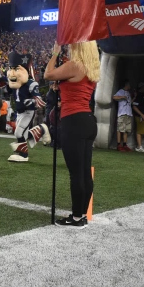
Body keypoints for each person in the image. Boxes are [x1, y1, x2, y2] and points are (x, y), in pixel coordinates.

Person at [44, 41, 99, 229]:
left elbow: (48, 74)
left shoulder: (75, 65)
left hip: (73, 120)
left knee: (76, 173)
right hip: (88, 119)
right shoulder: (92, 68)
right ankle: (81, 214)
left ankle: (76, 218)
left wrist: (54, 53)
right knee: (84, 172)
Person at [113, 81, 133, 151]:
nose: (130, 86)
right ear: (126, 85)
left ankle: (124, 144)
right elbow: (114, 97)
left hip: (128, 113)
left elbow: (130, 102)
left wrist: (135, 97)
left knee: (126, 130)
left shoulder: (128, 93)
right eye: (129, 85)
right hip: (122, 113)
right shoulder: (121, 91)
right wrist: (122, 97)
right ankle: (118, 145)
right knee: (120, 129)